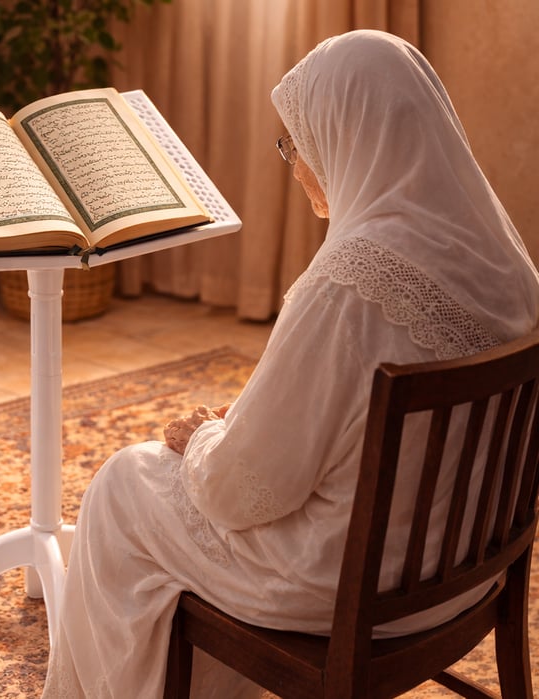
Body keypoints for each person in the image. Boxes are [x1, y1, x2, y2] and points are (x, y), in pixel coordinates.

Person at [41, 29, 539, 698]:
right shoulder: (510, 266)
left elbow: (240, 491)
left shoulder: (350, 283)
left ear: (348, 133)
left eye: (297, 144)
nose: (298, 164)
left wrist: (203, 440)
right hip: (464, 571)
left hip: (351, 585)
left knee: (122, 485)